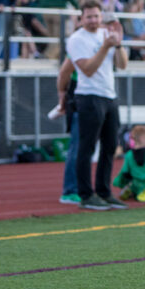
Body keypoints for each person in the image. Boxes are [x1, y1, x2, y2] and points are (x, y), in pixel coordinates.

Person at [66, 0, 129, 211]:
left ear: (101, 17)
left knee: (110, 146)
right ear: (81, 18)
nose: (93, 20)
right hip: (88, 96)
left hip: (109, 95)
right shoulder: (76, 39)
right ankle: (86, 194)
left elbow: (122, 64)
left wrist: (118, 44)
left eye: (96, 16)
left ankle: (104, 191)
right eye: (89, 16)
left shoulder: (106, 34)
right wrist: (105, 47)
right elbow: (88, 69)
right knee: (87, 147)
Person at [56, 57, 80, 205]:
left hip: (102, 97)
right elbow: (64, 71)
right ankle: (70, 190)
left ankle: (86, 188)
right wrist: (61, 94)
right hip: (79, 97)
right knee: (77, 146)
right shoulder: (78, 46)